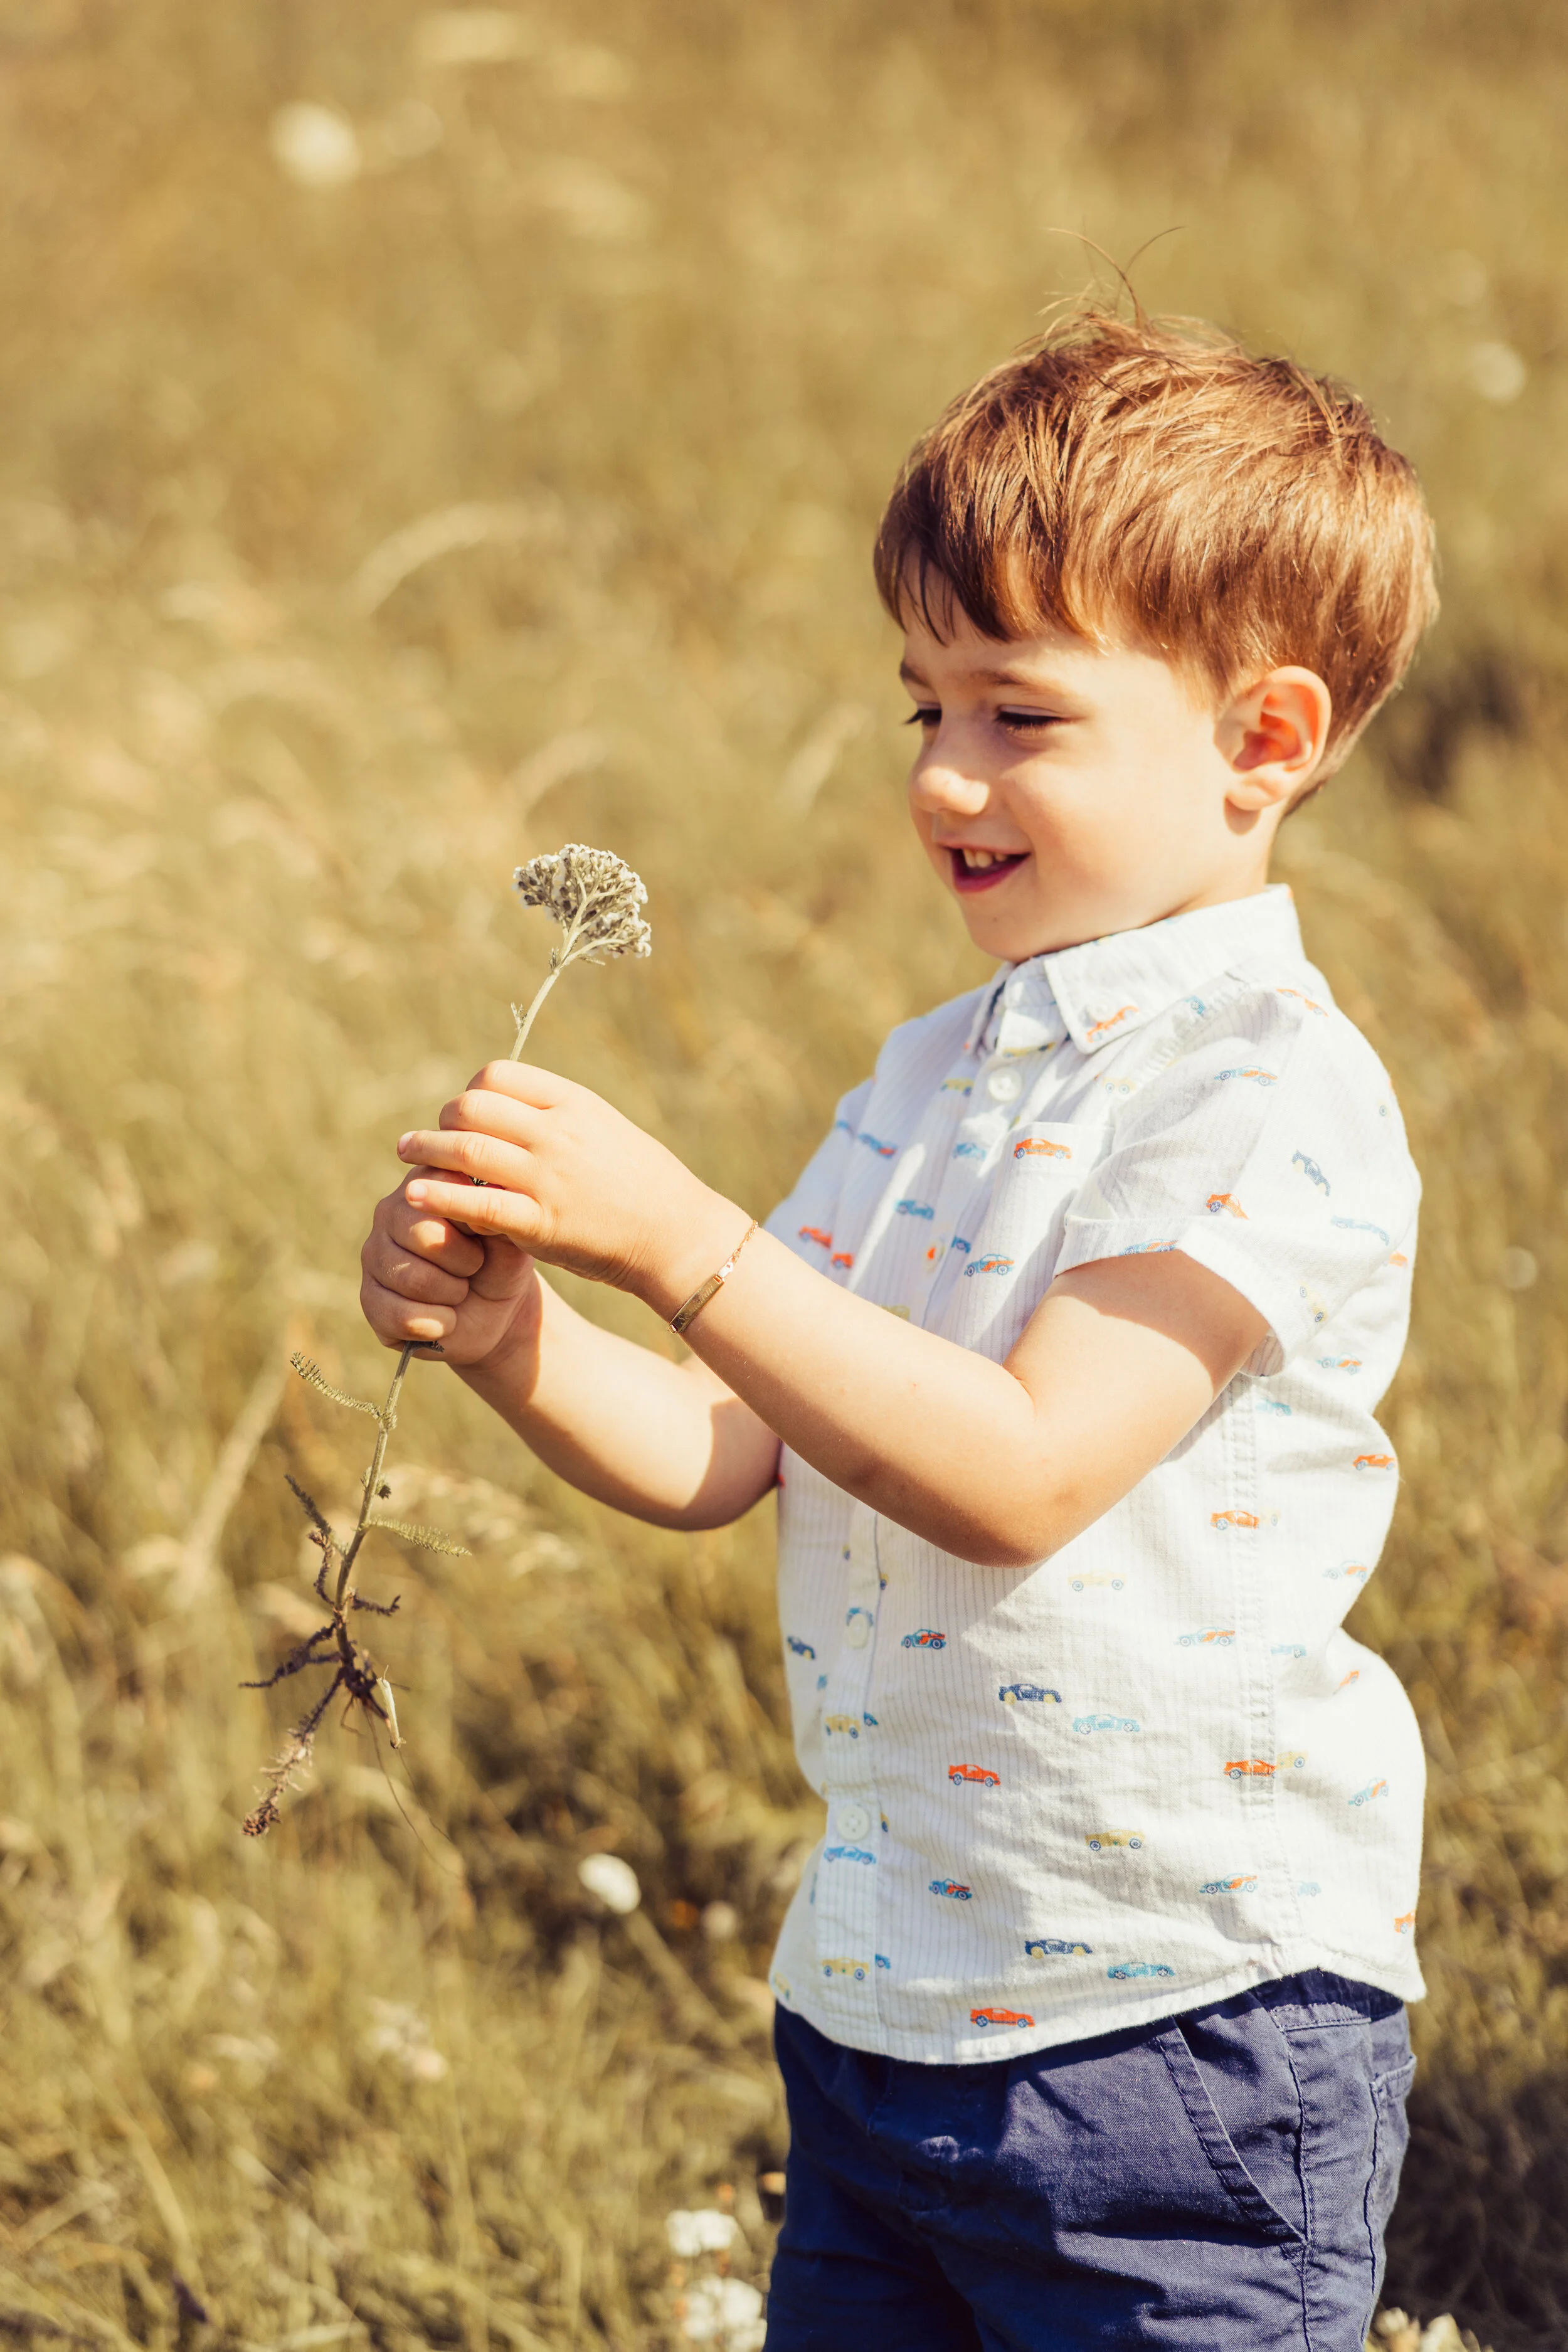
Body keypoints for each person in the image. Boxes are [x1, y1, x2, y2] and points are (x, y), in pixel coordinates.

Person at [359, 306, 1438, 2349]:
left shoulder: (1263, 1091)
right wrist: (513, 1340)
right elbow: (724, 1444)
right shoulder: (931, 1069)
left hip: (1181, 2029)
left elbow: (1017, 1472)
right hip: (882, 1992)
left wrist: (681, 1234)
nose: (942, 773)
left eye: (1018, 715)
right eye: (919, 703)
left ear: (1261, 743)